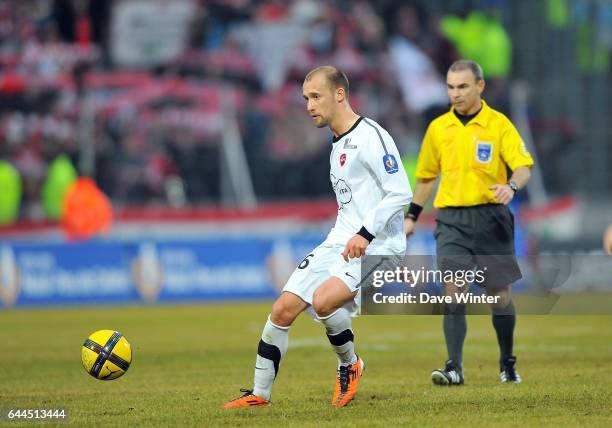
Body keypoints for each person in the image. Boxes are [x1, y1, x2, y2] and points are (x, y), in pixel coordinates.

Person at [224, 66, 412, 408]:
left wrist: (366, 234)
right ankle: (259, 394)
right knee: (282, 309)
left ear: (339, 94)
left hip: (380, 245)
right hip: (341, 239)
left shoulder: (371, 136)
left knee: (324, 301)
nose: (309, 105)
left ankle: (349, 365)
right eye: (306, 98)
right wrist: (347, 236)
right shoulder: (337, 143)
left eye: (316, 96)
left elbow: (400, 192)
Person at [404, 60, 534, 385]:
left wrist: (512, 186)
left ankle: (507, 363)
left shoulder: (499, 124)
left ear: (480, 86)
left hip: (492, 218)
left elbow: (523, 166)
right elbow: (426, 178)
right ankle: (454, 367)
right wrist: (411, 217)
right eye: (450, 87)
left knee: (499, 296)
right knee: (453, 291)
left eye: (462, 86)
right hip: (451, 220)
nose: (455, 94)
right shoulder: (438, 129)